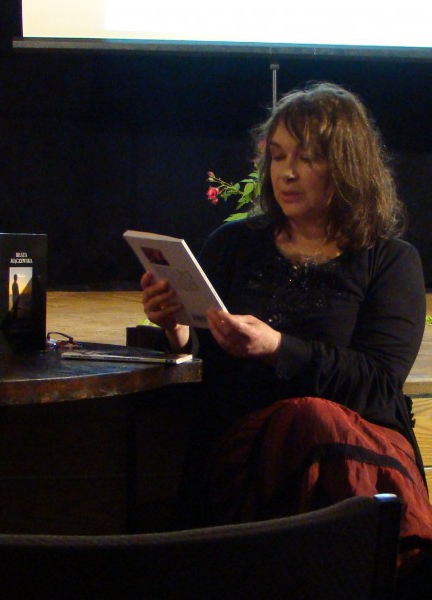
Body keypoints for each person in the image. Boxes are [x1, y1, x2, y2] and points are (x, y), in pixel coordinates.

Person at [140, 82, 432, 582]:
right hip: (247, 458)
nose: (286, 172)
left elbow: (379, 383)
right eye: (277, 156)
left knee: (314, 420)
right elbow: (207, 371)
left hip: (360, 449)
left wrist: (278, 349)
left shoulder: (390, 260)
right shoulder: (233, 244)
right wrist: (178, 331)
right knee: (305, 422)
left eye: (307, 158)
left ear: (346, 166)